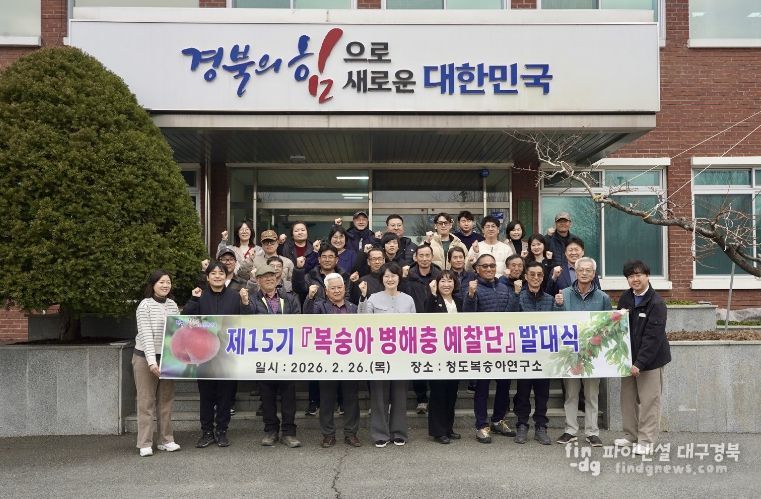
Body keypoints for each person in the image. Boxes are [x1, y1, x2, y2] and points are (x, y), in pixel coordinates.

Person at [184, 262, 253, 449]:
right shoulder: (200, 296)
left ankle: (222, 431)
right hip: (203, 355)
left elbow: (247, 322)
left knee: (225, 396)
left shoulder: (235, 297)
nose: (217, 276)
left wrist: (245, 303)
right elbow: (185, 319)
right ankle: (206, 432)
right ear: (207, 277)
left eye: (221, 273)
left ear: (226, 276)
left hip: (227, 354)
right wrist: (193, 300)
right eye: (213, 273)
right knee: (206, 396)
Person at [616, 260, 671, 456]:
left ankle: (646, 441)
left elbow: (653, 338)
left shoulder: (656, 303)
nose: (635, 279)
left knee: (649, 402)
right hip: (628, 359)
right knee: (628, 400)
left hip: (650, 361)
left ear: (647, 276)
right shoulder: (625, 298)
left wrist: (640, 363)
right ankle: (630, 435)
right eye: (631, 276)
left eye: (638, 275)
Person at [555, 256, 611, 447]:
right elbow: (556, 322)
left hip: (592, 355)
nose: (584, 273)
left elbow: (608, 326)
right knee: (571, 394)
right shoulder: (564, 294)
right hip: (570, 353)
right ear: (575, 272)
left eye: (588, 270)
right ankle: (570, 430)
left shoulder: (603, 298)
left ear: (594, 274)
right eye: (581, 270)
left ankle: (592, 432)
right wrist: (558, 305)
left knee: (591, 394)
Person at [358, 262, 416, 447]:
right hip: (379, 355)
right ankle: (380, 434)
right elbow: (364, 324)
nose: (390, 279)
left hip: (402, 354)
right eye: (386, 276)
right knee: (379, 396)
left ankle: (399, 432)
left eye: (393, 276)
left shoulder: (408, 299)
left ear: (399, 278)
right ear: (381, 279)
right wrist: (362, 297)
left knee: (400, 395)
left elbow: (414, 328)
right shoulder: (373, 299)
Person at [463, 254, 519, 443]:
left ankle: (497, 420)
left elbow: (512, 314)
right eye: (485, 266)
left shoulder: (504, 287)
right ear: (477, 269)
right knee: (482, 388)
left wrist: (516, 295)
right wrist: (471, 295)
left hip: (503, 346)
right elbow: (467, 317)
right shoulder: (472, 287)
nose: (489, 269)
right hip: (482, 347)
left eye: (492, 266)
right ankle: (481, 425)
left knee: (504, 385)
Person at [303, 273, 362, 448]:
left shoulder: (353, 308)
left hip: (350, 360)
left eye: (339, 287)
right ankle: (328, 434)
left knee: (351, 398)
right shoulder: (319, 306)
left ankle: (351, 433)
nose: (337, 291)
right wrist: (310, 297)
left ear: (345, 289)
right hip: (327, 360)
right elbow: (307, 318)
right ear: (326, 291)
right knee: (327, 400)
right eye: (333, 288)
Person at [251, 264, 303, 448]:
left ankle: (289, 432)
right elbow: (246, 322)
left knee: (289, 395)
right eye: (264, 277)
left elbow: (298, 320)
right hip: (263, 355)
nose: (269, 279)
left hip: (286, 354)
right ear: (258, 280)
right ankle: (271, 430)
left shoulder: (289, 298)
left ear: (277, 278)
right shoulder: (251, 300)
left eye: (272, 276)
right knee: (267, 395)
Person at [133, 270, 181, 457]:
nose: (165, 285)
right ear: (153, 285)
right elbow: (145, 334)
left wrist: (176, 359)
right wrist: (152, 363)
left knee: (166, 401)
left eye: (168, 282)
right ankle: (145, 443)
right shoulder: (144, 305)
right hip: (145, 358)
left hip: (167, 358)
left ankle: (166, 440)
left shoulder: (172, 305)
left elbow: (177, 333)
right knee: (146, 402)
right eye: (161, 282)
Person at [513, 261, 558, 446]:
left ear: (543, 277)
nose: (536, 278)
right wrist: (516, 296)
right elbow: (509, 319)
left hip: (544, 355)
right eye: (532, 274)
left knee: (542, 393)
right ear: (526, 276)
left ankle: (541, 426)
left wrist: (560, 306)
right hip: (524, 353)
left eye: (539, 275)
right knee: (523, 393)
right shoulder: (519, 296)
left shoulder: (550, 299)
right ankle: (522, 425)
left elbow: (557, 323)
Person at [425, 271, 463, 444]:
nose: (446, 284)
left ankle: (448, 427)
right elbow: (427, 317)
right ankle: (438, 431)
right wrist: (433, 295)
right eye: (442, 281)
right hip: (437, 353)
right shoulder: (432, 300)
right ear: (437, 284)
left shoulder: (459, 301)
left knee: (451, 392)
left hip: (455, 353)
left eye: (450, 281)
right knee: (438, 393)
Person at [403, 243, 440, 413]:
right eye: (421, 256)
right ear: (415, 257)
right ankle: (421, 399)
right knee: (417, 363)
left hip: (436, 326)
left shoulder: (439, 275)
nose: (424, 259)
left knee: (435, 362)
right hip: (414, 325)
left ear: (432, 257)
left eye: (427, 255)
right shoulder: (407, 276)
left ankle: (435, 397)